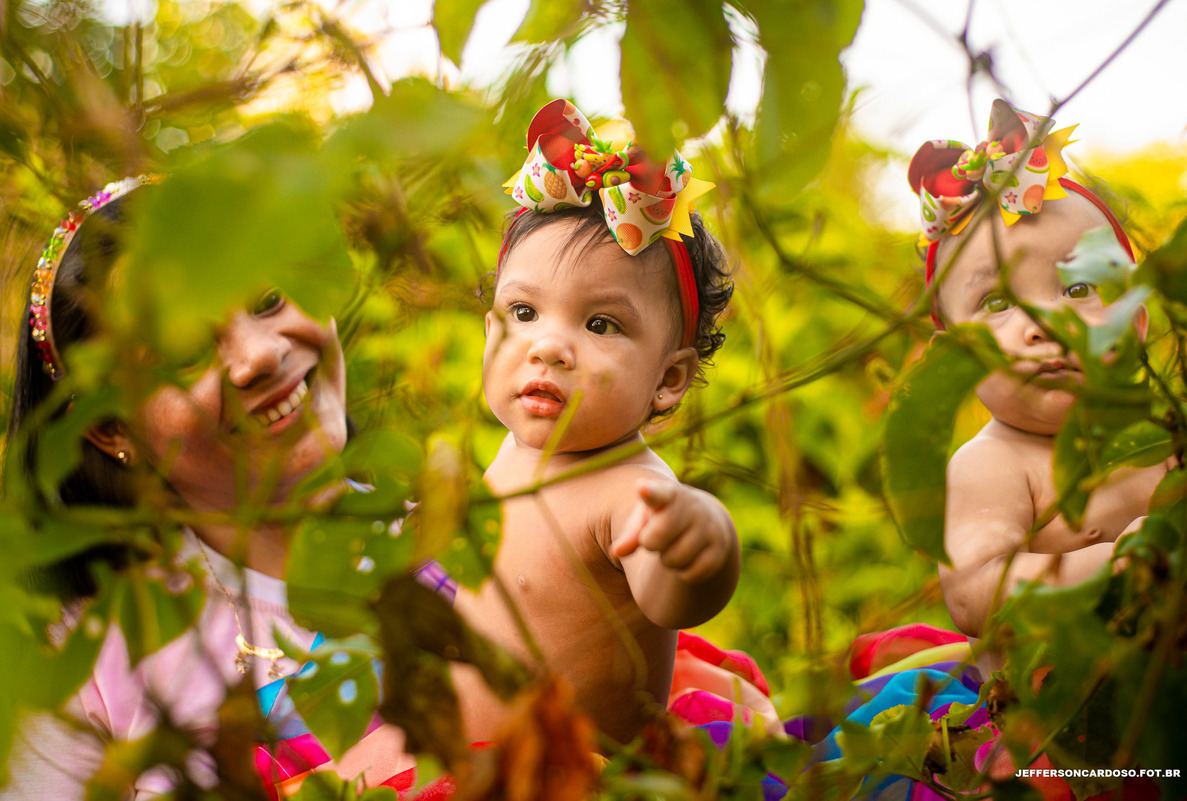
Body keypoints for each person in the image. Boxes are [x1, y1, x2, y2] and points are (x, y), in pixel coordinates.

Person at [1, 175, 437, 798]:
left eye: (267, 298)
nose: (259, 354)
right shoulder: (71, 660)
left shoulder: (451, 548)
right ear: (106, 428)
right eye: (183, 350)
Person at [450, 100, 742, 744]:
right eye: (523, 313)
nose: (547, 346)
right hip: (453, 758)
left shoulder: (629, 490)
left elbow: (675, 600)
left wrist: (701, 547)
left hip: (567, 778)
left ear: (667, 380)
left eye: (600, 324)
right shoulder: (511, 451)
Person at [907, 100, 1168, 638]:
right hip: (1048, 706)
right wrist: (1114, 566)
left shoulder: (1170, 433)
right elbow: (976, 592)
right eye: (998, 303)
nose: (1044, 324)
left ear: (1135, 324)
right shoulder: (994, 466)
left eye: (1077, 290)